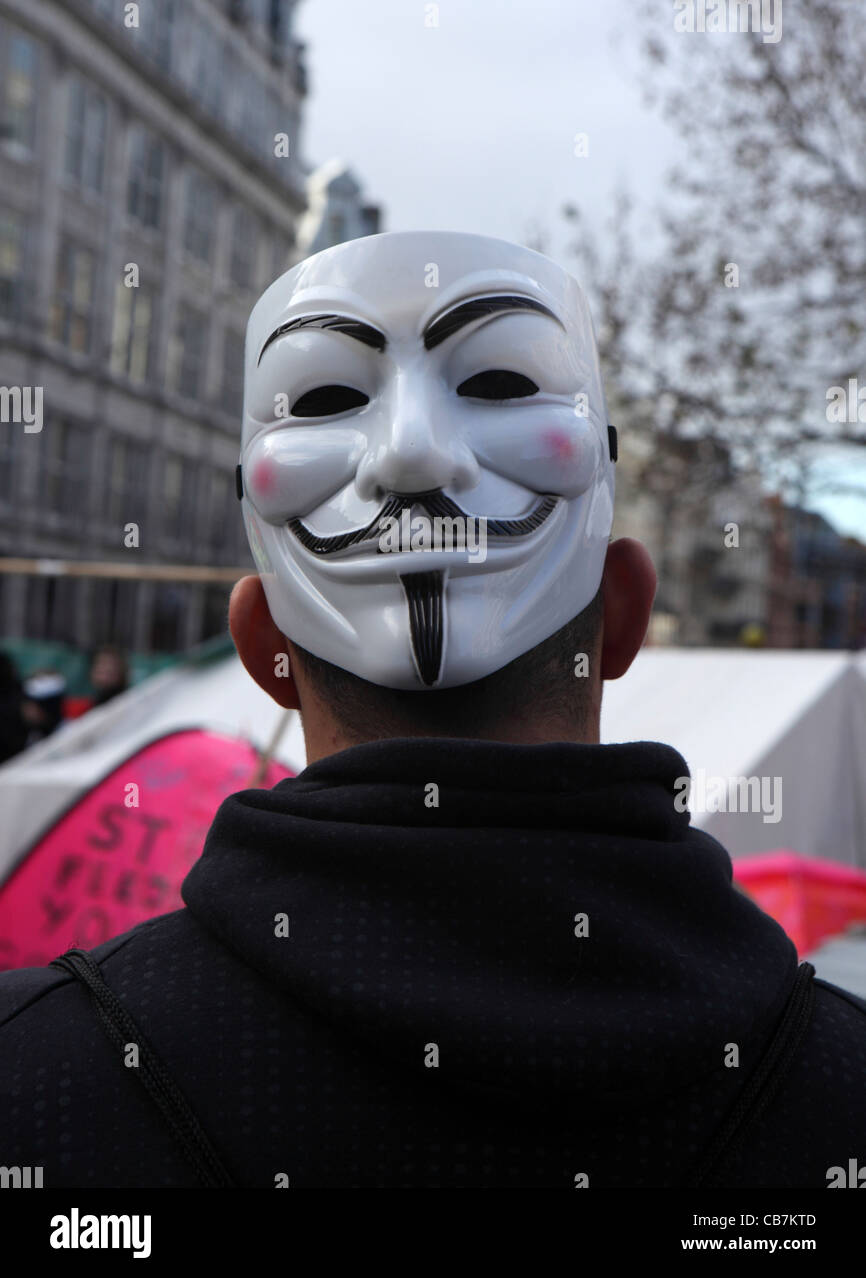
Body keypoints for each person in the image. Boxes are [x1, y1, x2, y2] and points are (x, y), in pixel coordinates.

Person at [0, 231, 863, 1189]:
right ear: (624, 617)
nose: (413, 451)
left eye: (496, 384)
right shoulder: (840, 1090)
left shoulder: (33, 1085)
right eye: (326, 397)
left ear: (257, 648)